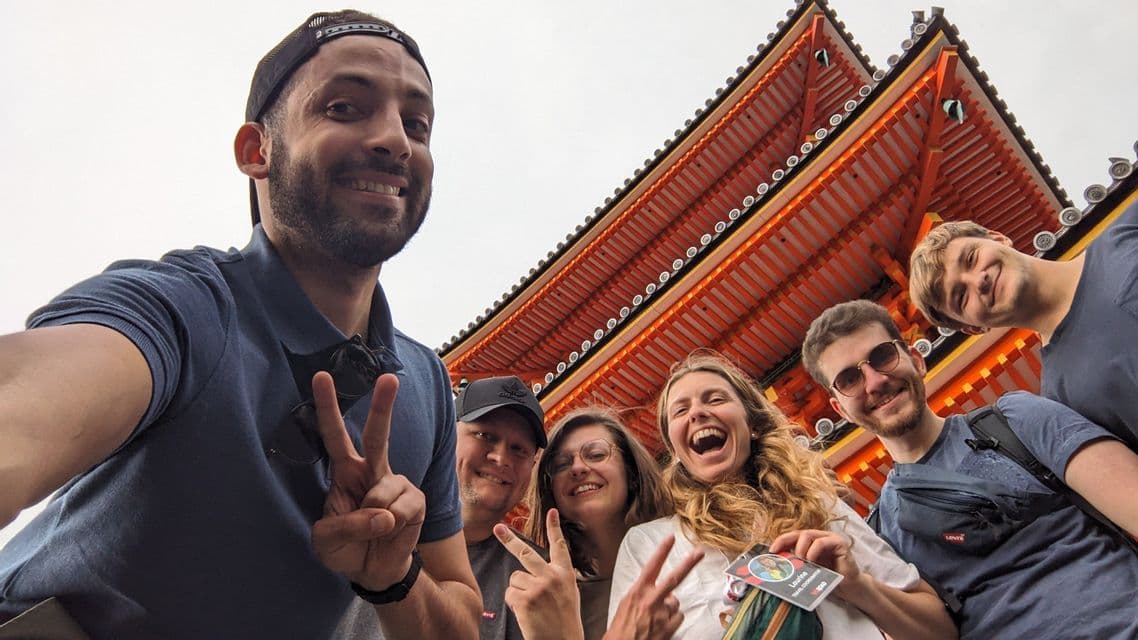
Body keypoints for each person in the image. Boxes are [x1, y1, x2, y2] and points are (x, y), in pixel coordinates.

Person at [0, 10, 481, 639]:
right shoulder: (184, 308)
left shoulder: (423, 384)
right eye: (343, 108)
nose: (395, 139)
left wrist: (393, 576)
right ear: (258, 151)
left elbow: (461, 620)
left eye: (416, 123)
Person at [800, 299, 1138, 638]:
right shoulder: (880, 534)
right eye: (849, 379)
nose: (874, 382)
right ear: (840, 410)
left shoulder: (1016, 420)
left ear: (916, 359)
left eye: (882, 357)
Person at [611, 352, 956, 640]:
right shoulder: (651, 544)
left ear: (753, 423)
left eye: (715, 399)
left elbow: (940, 630)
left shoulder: (819, 507)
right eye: (680, 410)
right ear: (675, 450)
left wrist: (858, 587)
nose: (698, 413)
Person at [907, 202, 1138, 450]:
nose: (979, 280)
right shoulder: (1064, 404)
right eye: (961, 296)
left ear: (999, 238)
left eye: (972, 258)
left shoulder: (1129, 230)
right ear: (972, 328)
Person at [336, 375, 548, 640]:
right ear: (449, 436)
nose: (500, 458)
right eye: (484, 435)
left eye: (519, 449)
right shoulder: (370, 523)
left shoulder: (538, 577)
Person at [495, 407, 703, 640]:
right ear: (551, 493)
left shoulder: (696, 539)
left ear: (631, 472)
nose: (578, 468)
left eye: (596, 454)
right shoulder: (551, 601)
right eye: (561, 465)